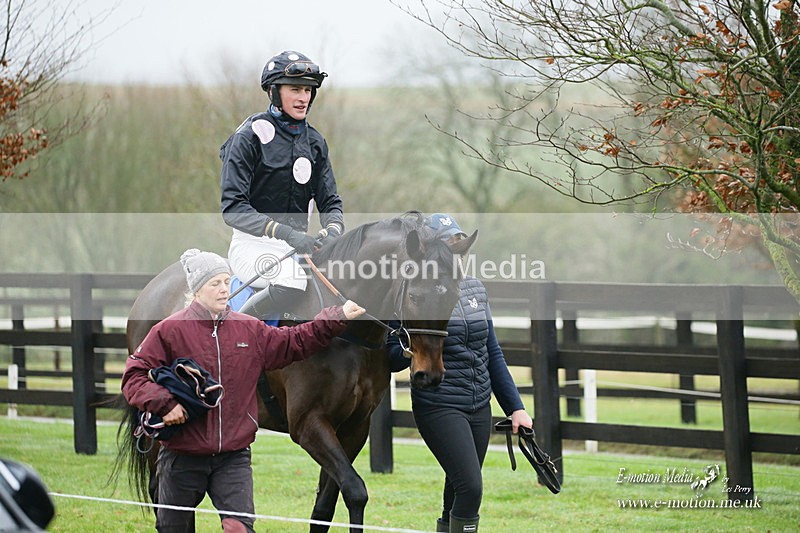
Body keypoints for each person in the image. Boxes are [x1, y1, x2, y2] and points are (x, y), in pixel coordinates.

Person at [121, 249, 365, 532]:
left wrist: (338, 315)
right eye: (215, 284)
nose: (224, 289)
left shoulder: (249, 329)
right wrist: (164, 404)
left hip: (233, 458)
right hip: (182, 456)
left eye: (227, 282)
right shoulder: (169, 331)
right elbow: (133, 377)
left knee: (239, 529)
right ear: (197, 289)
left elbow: (294, 341)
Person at [387, 214, 533, 533]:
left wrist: (516, 408)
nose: (458, 250)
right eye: (450, 243)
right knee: (471, 487)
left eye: (460, 243)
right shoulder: (414, 289)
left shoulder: (476, 289)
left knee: (456, 487)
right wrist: (408, 349)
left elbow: (492, 351)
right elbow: (390, 354)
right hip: (439, 404)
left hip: (479, 405)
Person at [219, 50, 344, 318]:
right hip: (252, 246)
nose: (303, 98)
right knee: (292, 281)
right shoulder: (248, 136)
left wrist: (332, 231)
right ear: (274, 92)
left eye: (308, 91)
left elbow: (331, 202)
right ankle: (238, 343)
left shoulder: (315, 142)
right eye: (295, 89)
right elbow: (233, 208)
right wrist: (285, 233)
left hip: (301, 246)